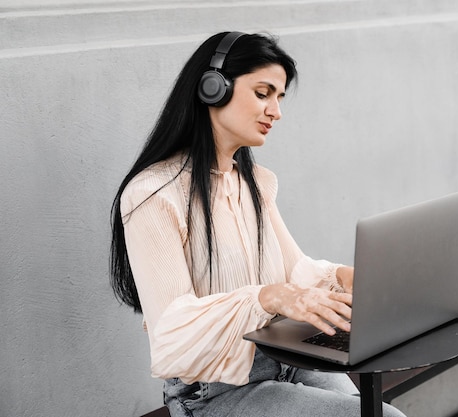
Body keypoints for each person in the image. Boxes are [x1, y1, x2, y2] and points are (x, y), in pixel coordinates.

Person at [110, 31, 407, 417]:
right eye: (263, 93)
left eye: (280, 98)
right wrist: (267, 297)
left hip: (287, 354)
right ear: (212, 87)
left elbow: (295, 270)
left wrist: (344, 276)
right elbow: (170, 331)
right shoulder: (153, 194)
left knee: (375, 410)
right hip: (214, 390)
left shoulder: (256, 182)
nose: (276, 112)